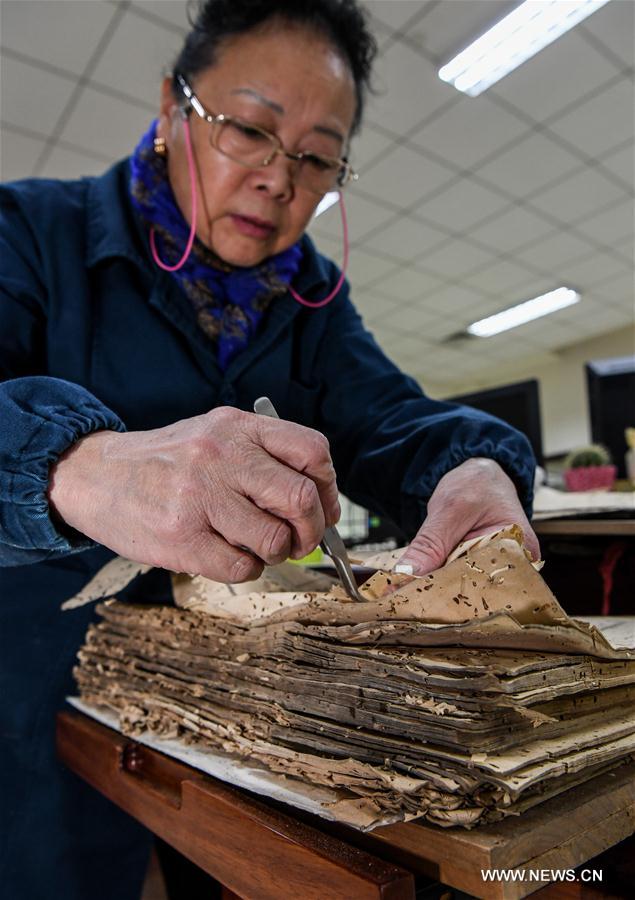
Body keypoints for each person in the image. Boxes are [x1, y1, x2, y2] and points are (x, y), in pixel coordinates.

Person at [0, 1, 538, 896]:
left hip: (247, 712)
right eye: (249, 129)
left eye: (318, 156)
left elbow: (392, 418)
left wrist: (473, 467)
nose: (279, 180)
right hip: (38, 695)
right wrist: (75, 467)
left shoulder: (313, 303)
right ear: (172, 108)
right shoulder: (29, 236)